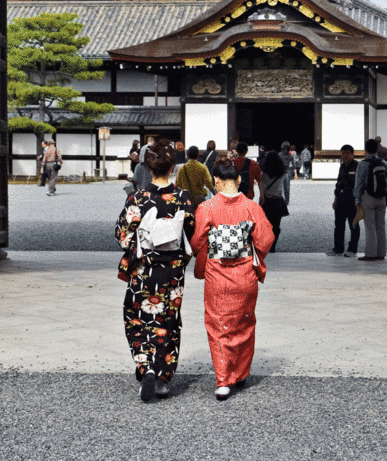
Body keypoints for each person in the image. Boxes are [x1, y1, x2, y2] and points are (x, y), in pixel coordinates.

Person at [115, 139, 195, 401]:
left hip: (143, 271)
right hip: (171, 272)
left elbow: (122, 236)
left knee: (138, 317)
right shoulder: (183, 198)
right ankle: (162, 376)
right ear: (173, 166)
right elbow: (192, 236)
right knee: (167, 322)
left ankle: (145, 366)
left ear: (148, 168)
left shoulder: (137, 198)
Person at [191, 158, 274, 400]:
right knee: (244, 323)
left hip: (217, 275)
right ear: (238, 180)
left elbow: (196, 242)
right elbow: (265, 240)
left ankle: (223, 381)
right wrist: (248, 251)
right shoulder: (252, 208)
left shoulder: (206, 208)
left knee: (218, 326)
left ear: (216, 182)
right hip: (245, 273)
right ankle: (240, 373)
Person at [354, 138, 387, 261]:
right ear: (377, 149)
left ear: (365, 150)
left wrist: (357, 201)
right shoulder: (384, 163)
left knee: (370, 226)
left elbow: (358, 184)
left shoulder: (363, 164)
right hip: (381, 198)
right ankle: (381, 253)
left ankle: (370, 254)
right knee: (381, 225)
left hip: (368, 197)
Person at [326, 144, 360, 257]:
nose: (345, 155)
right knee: (339, 225)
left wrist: (358, 201)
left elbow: (359, 185)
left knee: (353, 224)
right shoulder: (342, 167)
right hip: (340, 198)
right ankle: (338, 249)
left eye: (347, 153)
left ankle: (352, 249)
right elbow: (338, 184)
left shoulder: (357, 166)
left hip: (352, 198)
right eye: (343, 153)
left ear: (352, 154)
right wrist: (335, 199)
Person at [260, 150, 289, 252]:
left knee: (266, 225)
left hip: (267, 200)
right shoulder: (282, 173)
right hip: (278, 201)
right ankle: (273, 246)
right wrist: (287, 200)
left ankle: (266, 244)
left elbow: (262, 187)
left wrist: (261, 198)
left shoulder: (263, 173)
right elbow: (286, 188)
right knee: (276, 226)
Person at [176, 145, 214, 210]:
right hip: (200, 199)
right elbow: (209, 183)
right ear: (198, 155)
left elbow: (178, 185)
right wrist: (215, 193)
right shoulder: (203, 167)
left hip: (186, 199)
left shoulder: (182, 169)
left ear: (187, 155)